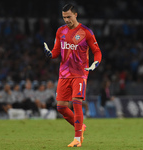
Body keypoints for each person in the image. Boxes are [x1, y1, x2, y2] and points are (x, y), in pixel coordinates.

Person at [44, 4, 102, 147]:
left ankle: (77, 138)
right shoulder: (60, 31)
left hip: (80, 73)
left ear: (76, 15)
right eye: (64, 17)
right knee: (61, 107)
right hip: (64, 73)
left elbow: (97, 51)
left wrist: (96, 63)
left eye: (69, 17)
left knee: (76, 102)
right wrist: (50, 54)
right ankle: (81, 126)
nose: (66, 20)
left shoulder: (86, 32)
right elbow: (57, 51)